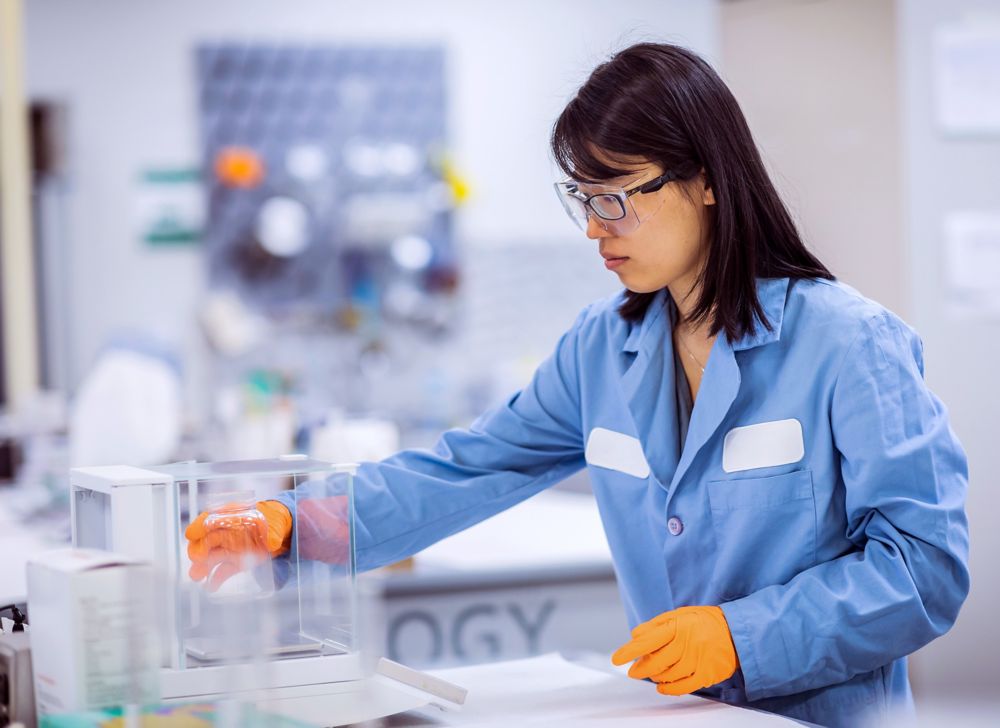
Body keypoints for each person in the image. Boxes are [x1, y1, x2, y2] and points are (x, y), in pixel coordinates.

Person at [186, 43, 970, 727]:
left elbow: (924, 567)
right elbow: (467, 469)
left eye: (616, 197)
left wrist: (742, 636)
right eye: (584, 199)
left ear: (706, 182)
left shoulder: (848, 343)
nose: (596, 226)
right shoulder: (602, 350)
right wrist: (292, 523)